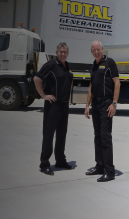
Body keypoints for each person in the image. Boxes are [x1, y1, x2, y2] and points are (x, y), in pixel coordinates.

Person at [34, 42, 74, 175]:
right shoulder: (51, 65)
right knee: (48, 134)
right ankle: (44, 163)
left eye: (65, 52)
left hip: (64, 105)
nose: (63, 54)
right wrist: (44, 95)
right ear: (56, 53)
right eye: (60, 52)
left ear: (67, 54)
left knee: (62, 134)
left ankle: (60, 160)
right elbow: (37, 78)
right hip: (53, 105)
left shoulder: (67, 65)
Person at [84, 40, 120, 182]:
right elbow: (91, 86)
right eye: (94, 50)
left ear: (102, 49)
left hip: (106, 103)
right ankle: (99, 166)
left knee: (105, 137)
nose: (96, 52)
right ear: (91, 51)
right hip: (96, 104)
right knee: (97, 136)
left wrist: (114, 104)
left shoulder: (110, 63)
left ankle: (109, 171)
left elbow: (117, 83)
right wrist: (87, 106)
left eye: (98, 49)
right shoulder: (93, 65)